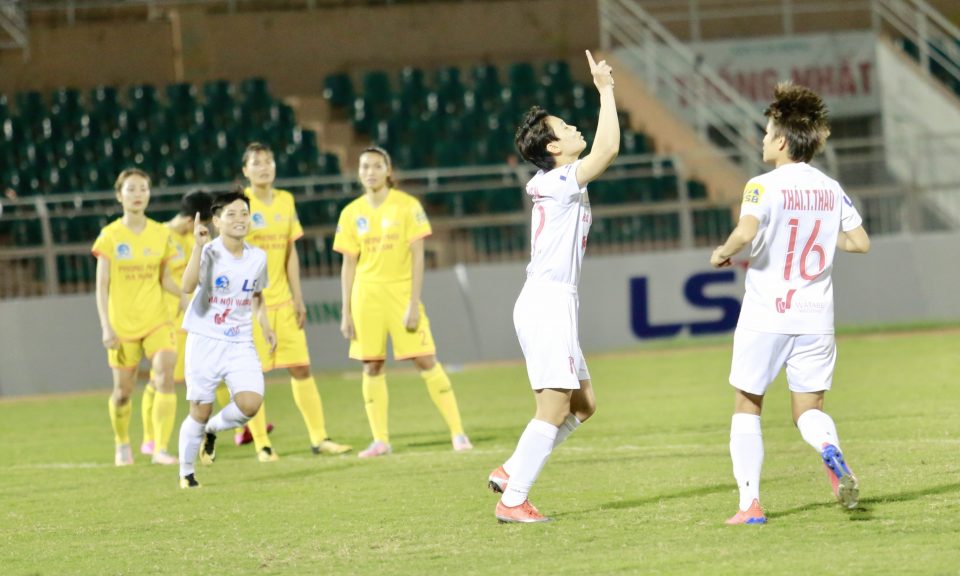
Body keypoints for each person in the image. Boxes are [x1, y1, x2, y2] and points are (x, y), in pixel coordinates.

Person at [709, 83, 871, 525]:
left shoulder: (761, 186)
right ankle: (828, 447)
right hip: (816, 318)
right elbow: (860, 242)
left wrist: (723, 253)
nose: (762, 140)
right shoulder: (830, 189)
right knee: (809, 411)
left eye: (766, 134)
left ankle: (750, 505)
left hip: (767, 314)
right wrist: (823, 238)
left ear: (782, 141)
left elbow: (745, 232)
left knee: (747, 405)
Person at [487, 50, 618, 523]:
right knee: (555, 404)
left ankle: (512, 470)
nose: (573, 127)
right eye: (564, 127)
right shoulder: (558, 181)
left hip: (554, 301)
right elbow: (607, 150)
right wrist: (605, 90)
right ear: (553, 148)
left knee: (583, 405)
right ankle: (513, 499)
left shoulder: (560, 180)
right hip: (547, 301)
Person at [333, 145, 472, 458]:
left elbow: (418, 258)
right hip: (366, 297)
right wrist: (346, 311)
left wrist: (413, 302)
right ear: (358, 173)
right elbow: (348, 265)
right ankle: (380, 440)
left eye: (376, 166)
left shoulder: (408, 206)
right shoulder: (351, 213)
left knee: (426, 359)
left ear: (388, 170)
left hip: (400, 295)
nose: (370, 172)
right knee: (372, 365)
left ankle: (458, 432)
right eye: (364, 166)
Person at [239, 142, 351, 460]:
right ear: (245, 170)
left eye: (269, 161)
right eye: (257, 162)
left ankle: (320, 438)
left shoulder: (285, 200)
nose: (264, 167)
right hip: (250, 306)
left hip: (284, 301)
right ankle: (262, 445)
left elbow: (290, 252)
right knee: (252, 375)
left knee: (301, 368)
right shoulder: (240, 205)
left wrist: (297, 297)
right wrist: (254, 305)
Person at [177, 191, 274, 488]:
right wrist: (197, 248)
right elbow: (187, 286)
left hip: (240, 341)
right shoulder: (208, 251)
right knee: (199, 409)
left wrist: (265, 324)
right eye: (231, 214)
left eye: (244, 213)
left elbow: (256, 295)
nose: (239, 219)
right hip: (205, 340)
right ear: (217, 221)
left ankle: (212, 429)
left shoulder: (258, 257)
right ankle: (186, 473)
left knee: (250, 404)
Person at [92, 168, 182, 466]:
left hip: (157, 318)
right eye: (131, 189)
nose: (138, 194)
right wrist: (106, 326)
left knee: (165, 371)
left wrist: (185, 296)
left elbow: (165, 278)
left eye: (143, 188)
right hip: (123, 324)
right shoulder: (110, 236)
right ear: (119, 196)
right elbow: (102, 285)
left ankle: (161, 449)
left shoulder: (160, 233)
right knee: (122, 392)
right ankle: (122, 443)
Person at [140, 189, 213, 457]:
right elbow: (160, 279)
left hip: (192, 319)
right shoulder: (159, 235)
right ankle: (150, 439)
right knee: (159, 379)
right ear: (189, 220)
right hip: (166, 318)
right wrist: (183, 299)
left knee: (205, 376)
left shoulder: (196, 238)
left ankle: (213, 432)